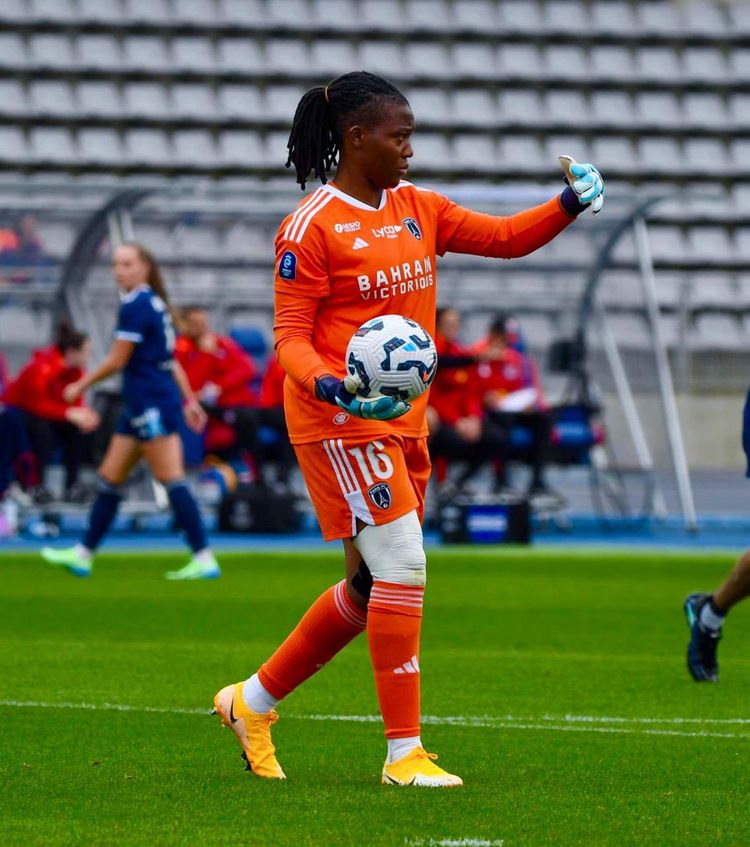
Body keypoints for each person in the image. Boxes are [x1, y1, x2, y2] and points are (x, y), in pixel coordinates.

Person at [211, 71, 604, 786]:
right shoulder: (310, 226)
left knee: (369, 591)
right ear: (358, 137)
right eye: (400, 136)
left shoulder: (419, 207)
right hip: (339, 419)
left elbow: (506, 239)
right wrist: (329, 382)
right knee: (404, 566)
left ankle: (251, 701)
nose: (410, 149)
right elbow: (290, 336)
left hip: (403, 423)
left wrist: (569, 204)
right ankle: (404, 755)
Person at [40, 243, 220, 581]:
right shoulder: (155, 303)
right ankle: (83, 554)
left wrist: (80, 386)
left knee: (171, 478)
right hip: (142, 403)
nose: (119, 271)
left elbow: (117, 360)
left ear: (144, 267)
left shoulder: (136, 305)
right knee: (110, 477)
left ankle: (203, 556)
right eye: (116, 265)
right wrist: (189, 401)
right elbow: (169, 361)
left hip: (150, 404)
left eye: (126, 264)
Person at [2, 322, 100, 502]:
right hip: (20, 413)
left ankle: (72, 486)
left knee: (77, 429)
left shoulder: (77, 371)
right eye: (86, 352)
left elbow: (74, 402)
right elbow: (37, 405)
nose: (89, 357)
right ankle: (35, 485)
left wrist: (84, 415)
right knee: (42, 430)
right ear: (71, 352)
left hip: (49, 414)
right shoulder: (41, 367)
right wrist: (69, 414)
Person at [474, 312, 558, 499]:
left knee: (544, 420)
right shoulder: (477, 353)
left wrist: (527, 403)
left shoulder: (513, 357)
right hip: (490, 412)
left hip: (512, 407)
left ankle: (537, 480)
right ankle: (501, 480)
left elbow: (520, 387)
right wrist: (486, 398)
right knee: (504, 423)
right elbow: (471, 387)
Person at [427, 306, 506, 493]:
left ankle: (461, 482)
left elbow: (471, 391)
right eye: (448, 323)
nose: (453, 327)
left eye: (456, 323)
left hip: (464, 418)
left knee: (496, 437)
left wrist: (474, 418)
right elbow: (433, 396)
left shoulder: (460, 352)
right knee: (448, 439)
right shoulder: (430, 354)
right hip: (444, 418)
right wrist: (457, 422)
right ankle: (440, 482)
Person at [175, 305, 259, 454]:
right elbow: (192, 384)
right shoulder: (181, 348)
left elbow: (248, 369)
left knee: (256, 415)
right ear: (184, 325)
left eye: (204, 323)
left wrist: (220, 386)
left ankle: (256, 466)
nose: (202, 327)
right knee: (243, 418)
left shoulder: (221, 342)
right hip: (205, 404)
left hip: (233, 400)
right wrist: (206, 354)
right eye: (196, 323)